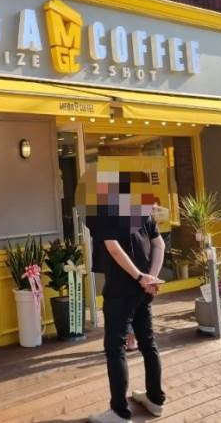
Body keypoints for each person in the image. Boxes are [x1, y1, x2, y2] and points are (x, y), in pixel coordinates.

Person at [87, 171, 166, 423]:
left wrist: (141, 277)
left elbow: (113, 248)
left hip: (121, 291)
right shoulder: (141, 210)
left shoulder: (104, 212)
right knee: (148, 342)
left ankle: (120, 413)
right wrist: (150, 278)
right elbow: (160, 244)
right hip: (143, 290)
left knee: (115, 347)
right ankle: (155, 400)